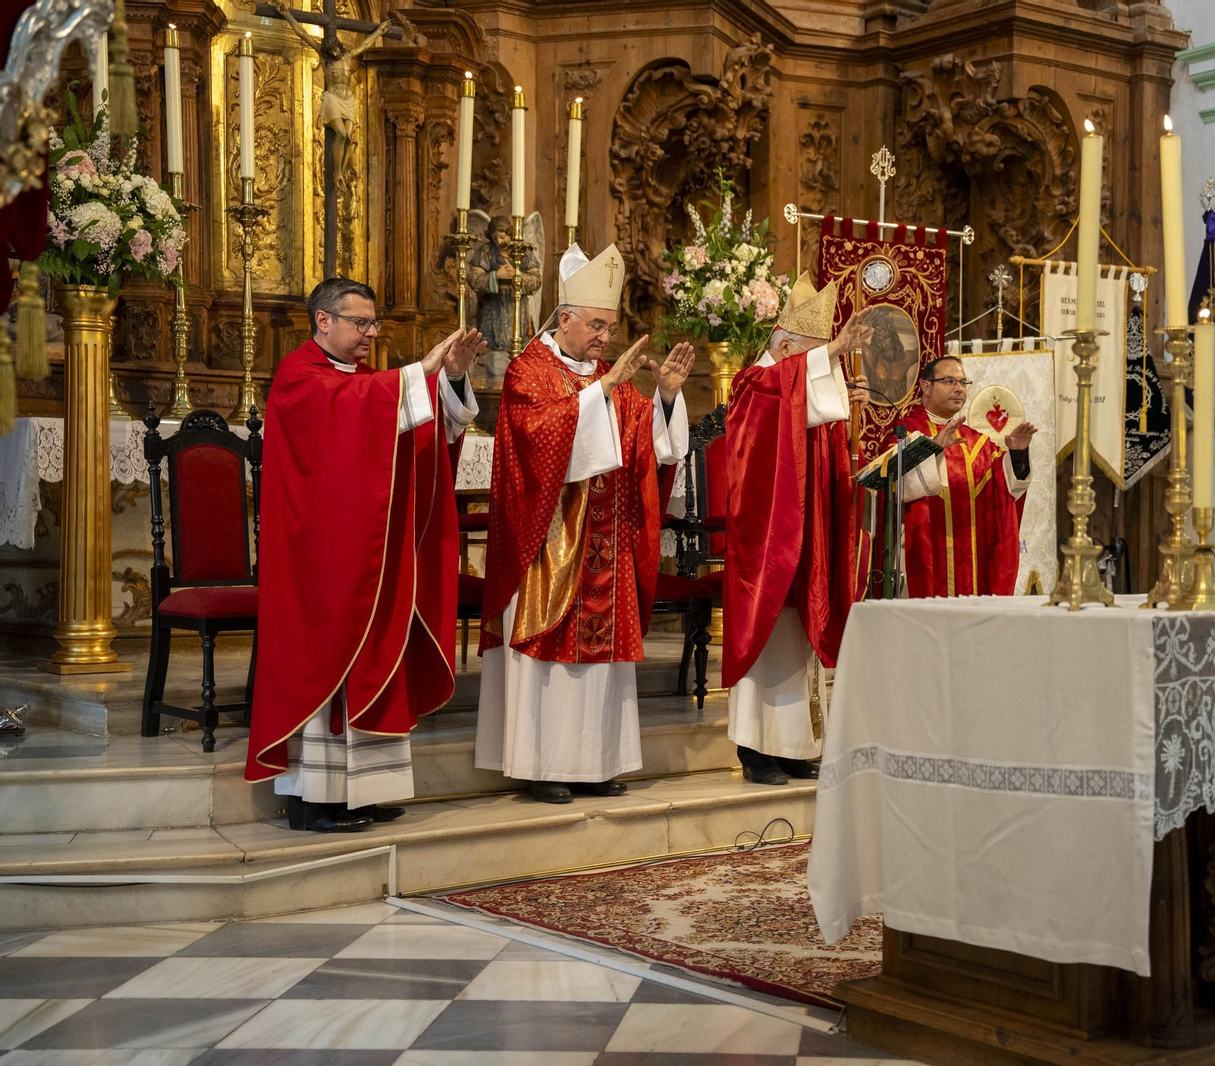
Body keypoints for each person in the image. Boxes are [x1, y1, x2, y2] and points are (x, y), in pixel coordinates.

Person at [246, 278, 484, 833]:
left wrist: (449, 378)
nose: (370, 334)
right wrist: (419, 372)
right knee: (327, 658)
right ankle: (316, 800)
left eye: (374, 324)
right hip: (319, 560)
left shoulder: (368, 383)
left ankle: (363, 792)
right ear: (323, 320)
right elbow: (348, 416)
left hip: (369, 552)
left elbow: (418, 440)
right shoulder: (298, 378)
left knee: (377, 655)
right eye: (361, 323)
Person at [476, 243, 695, 804]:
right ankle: (544, 765)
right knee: (550, 661)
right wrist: (603, 390)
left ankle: (595, 763)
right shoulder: (528, 370)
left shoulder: (608, 376)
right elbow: (537, 440)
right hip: (547, 543)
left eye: (610, 327)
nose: (604, 337)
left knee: (600, 664)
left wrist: (667, 396)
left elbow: (649, 444)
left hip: (605, 541)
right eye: (596, 325)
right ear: (565, 319)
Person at [722, 273, 871, 786]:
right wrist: (833, 353)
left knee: (799, 636)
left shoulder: (795, 386)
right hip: (766, 535)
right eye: (814, 352)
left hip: (806, 530)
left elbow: (819, 443)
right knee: (766, 636)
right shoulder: (753, 383)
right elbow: (773, 420)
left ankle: (793, 748)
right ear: (785, 346)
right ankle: (754, 749)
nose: (825, 362)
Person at [878, 356, 1034, 598]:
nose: (959, 389)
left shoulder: (977, 442)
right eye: (950, 381)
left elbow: (1008, 488)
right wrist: (931, 448)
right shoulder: (903, 435)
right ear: (926, 386)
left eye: (963, 382)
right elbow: (893, 487)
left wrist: (1018, 453)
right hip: (921, 558)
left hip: (971, 564)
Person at [467, 215, 540, 387]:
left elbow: (536, 280)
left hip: (516, 307)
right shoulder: (486, 252)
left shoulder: (523, 251)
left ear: (509, 234)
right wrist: (495, 276)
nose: (499, 241)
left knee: (518, 347)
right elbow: (474, 279)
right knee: (492, 349)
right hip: (493, 308)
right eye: (495, 238)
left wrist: (518, 276)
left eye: (502, 236)